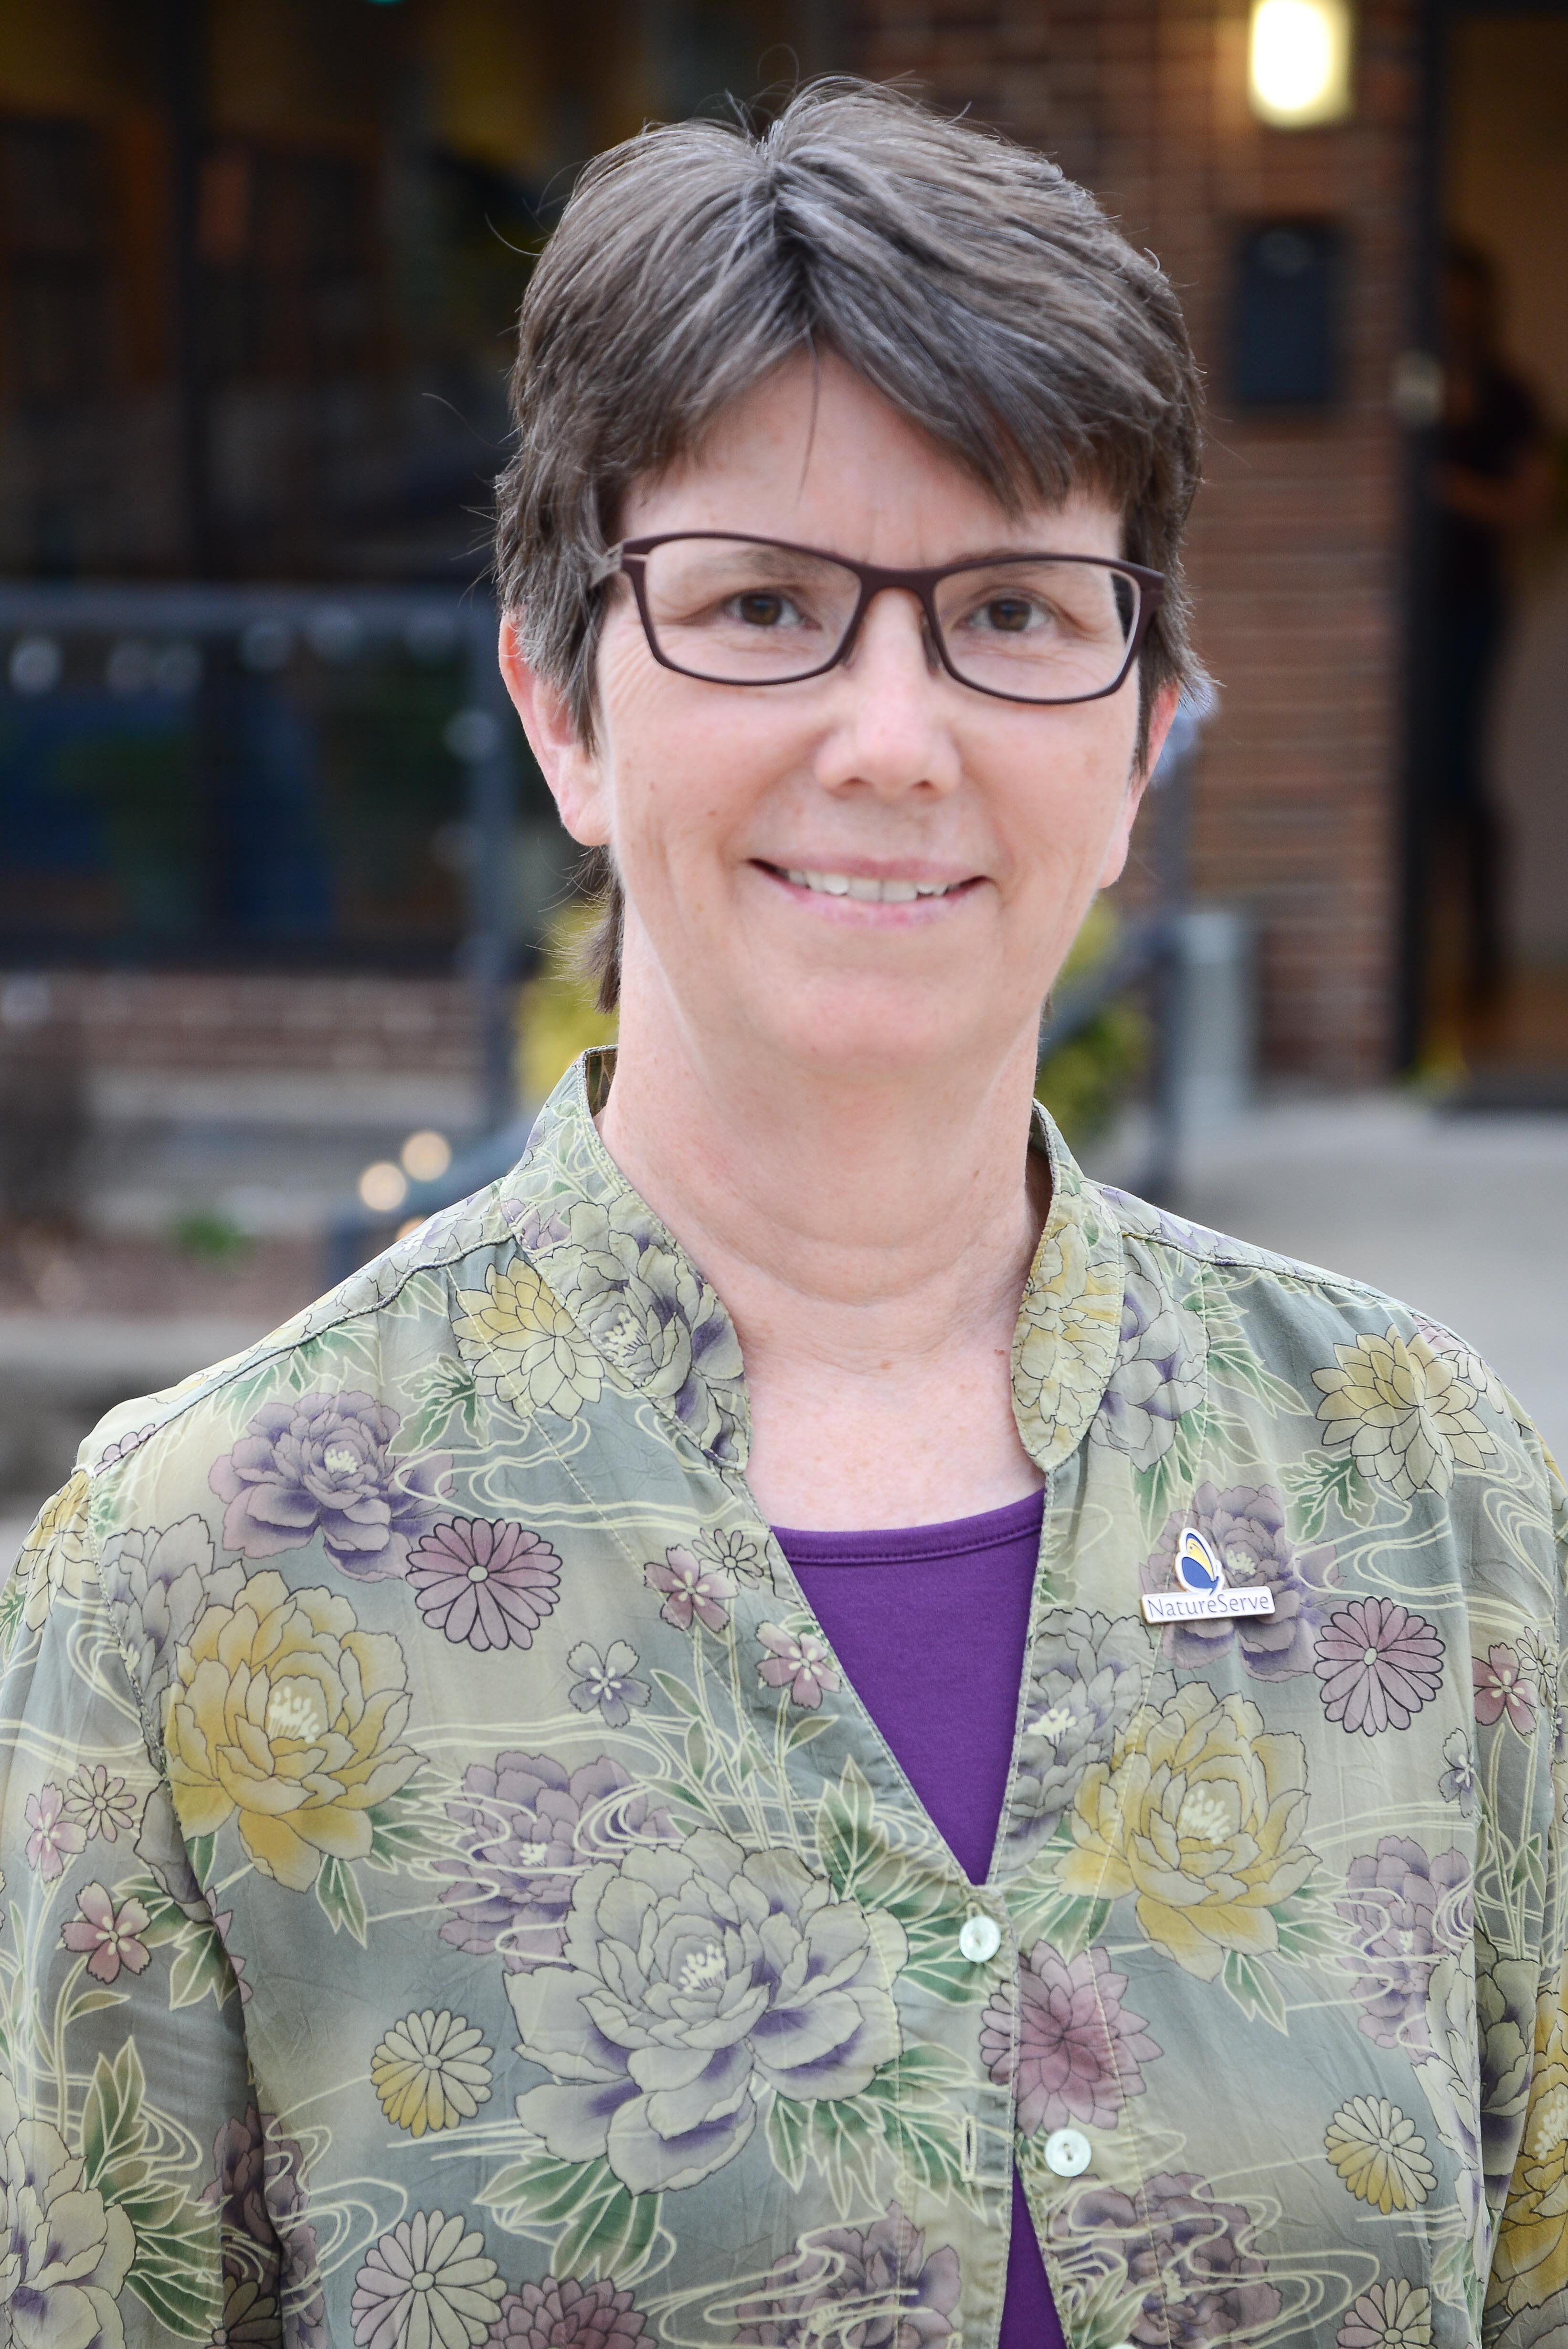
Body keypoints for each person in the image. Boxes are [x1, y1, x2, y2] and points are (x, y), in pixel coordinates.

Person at [2, 81, 1565, 2349]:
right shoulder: (198, 1569)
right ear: (560, 707)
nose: (891, 733)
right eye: (762, 605)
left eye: (1015, 609)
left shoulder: (1426, 1490)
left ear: (1135, 739)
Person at [1431, 240, 1552, 1007]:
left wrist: (1437, 484)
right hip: (1404, 611)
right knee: (1416, 780)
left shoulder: (1509, 395)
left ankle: (1483, 967)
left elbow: (1527, 506)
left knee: (1463, 774)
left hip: (1473, 605)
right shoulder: (1407, 380)